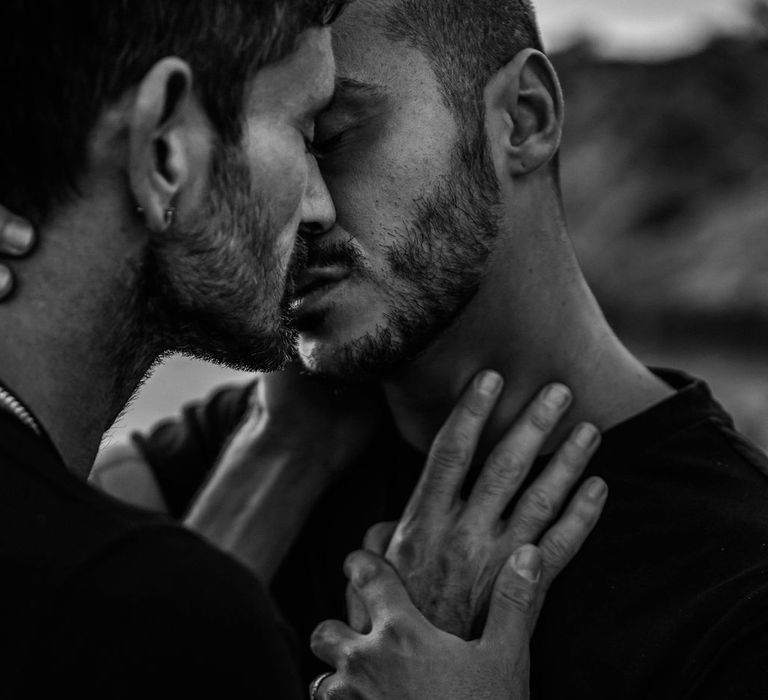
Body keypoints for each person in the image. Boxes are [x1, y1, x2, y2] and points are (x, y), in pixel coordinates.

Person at [52, 0, 768, 697]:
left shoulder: (735, 577)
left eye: (327, 136)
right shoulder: (236, 450)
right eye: (271, 144)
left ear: (523, 117)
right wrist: (277, 459)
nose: (296, 204)